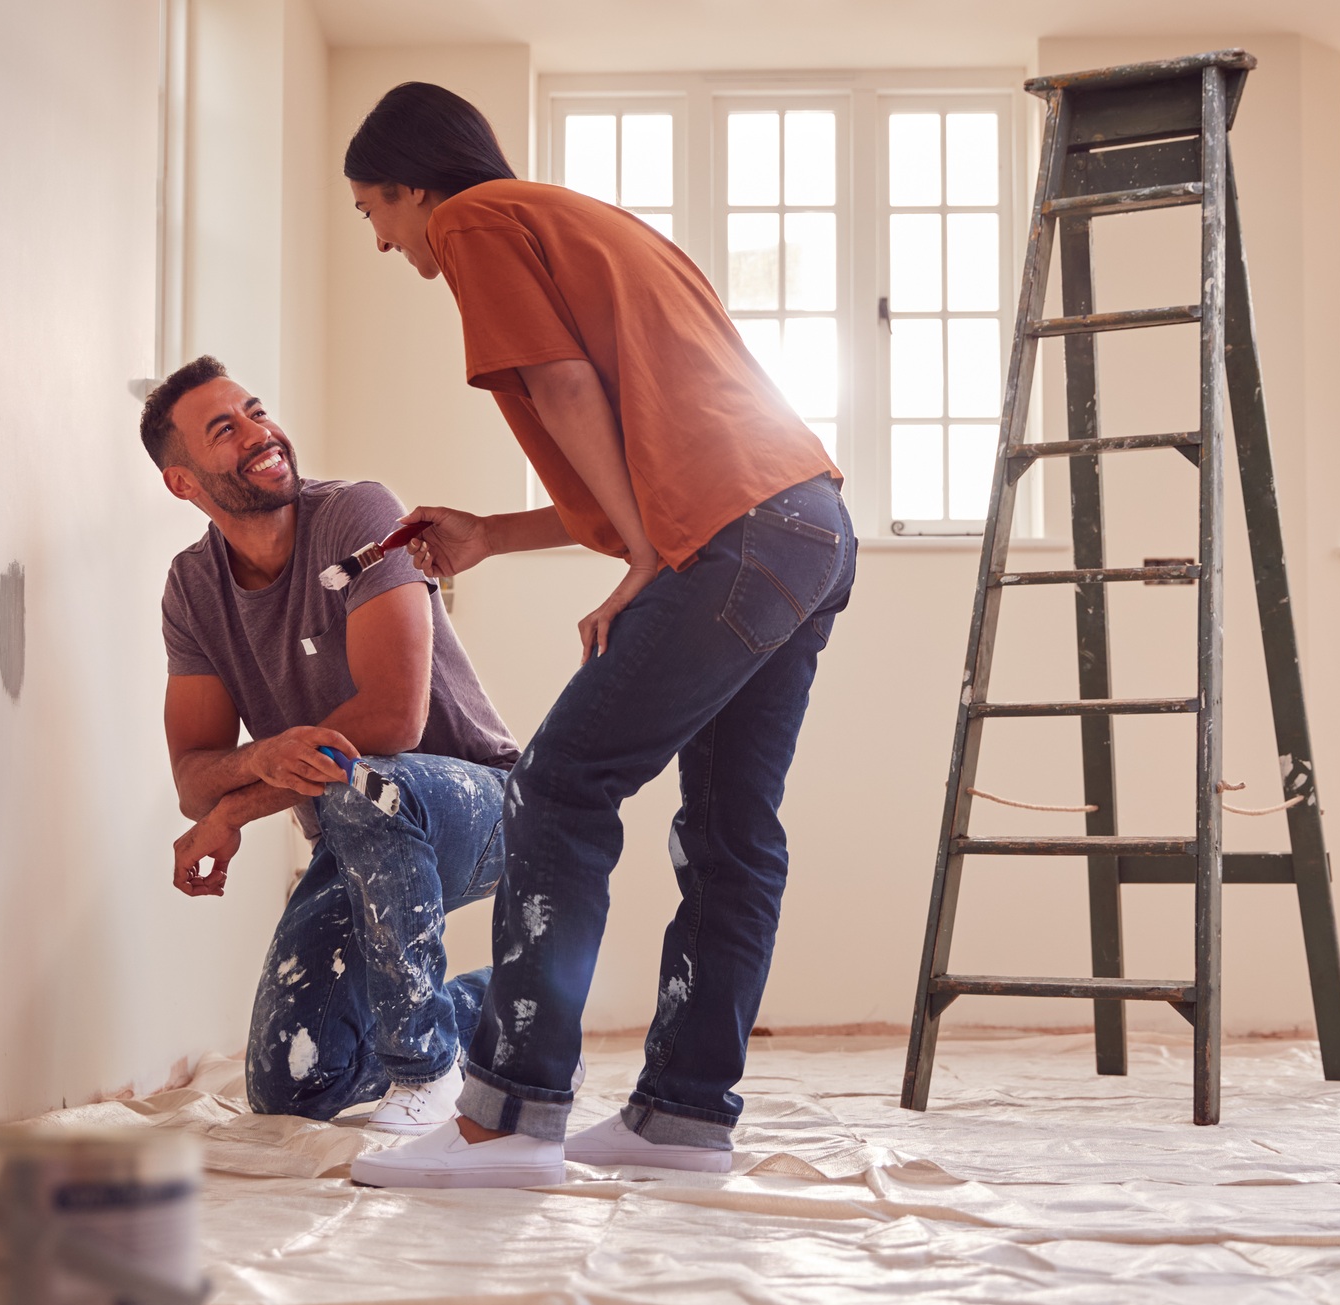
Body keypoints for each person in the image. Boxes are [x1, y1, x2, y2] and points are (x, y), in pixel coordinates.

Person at [343, 83, 857, 1190]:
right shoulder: (594, 225)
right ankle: (680, 1119)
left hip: (728, 534)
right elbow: (647, 432)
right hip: (804, 525)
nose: (383, 240)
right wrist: (494, 532)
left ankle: (508, 1120)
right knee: (730, 829)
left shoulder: (476, 219)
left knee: (560, 785)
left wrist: (644, 554)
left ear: (413, 185)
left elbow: (564, 387)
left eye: (372, 210)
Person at [145, 355, 521, 1134]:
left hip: (480, 806)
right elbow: (192, 777)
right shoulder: (193, 588)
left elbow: (392, 721)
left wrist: (235, 812)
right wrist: (254, 762)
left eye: (255, 410)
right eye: (225, 430)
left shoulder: (359, 514)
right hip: (355, 831)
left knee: (366, 784)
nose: (259, 432)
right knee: (292, 1083)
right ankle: (513, 1016)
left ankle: (427, 1075)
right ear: (183, 483)